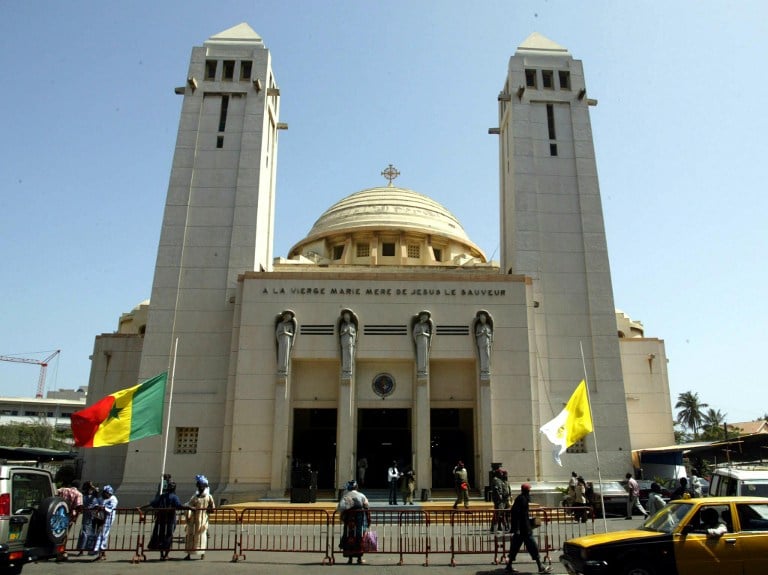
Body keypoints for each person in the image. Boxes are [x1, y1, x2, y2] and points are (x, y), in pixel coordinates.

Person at [505, 484, 551, 574]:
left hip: (522, 528)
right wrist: (517, 528)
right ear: (527, 491)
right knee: (533, 546)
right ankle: (540, 567)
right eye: (529, 490)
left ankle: (509, 565)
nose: (530, 492)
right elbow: (517, 514)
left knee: (515, 547)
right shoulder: (522, 499)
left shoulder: (521, 499)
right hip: (524, 530)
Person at [148, 480, 185, 560]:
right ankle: (166, 555)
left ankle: (161, 554)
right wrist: (189, 508)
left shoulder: (162, 496)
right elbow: (179, 506)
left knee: (161, 535)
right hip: (170, 520)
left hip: (161, 520)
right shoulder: (174, 497)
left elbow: (153, 503)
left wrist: (141, 507)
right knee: (169, 536)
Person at [337, 480, 371, 565]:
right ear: (356, 487)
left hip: (348, 522)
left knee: (349, 537)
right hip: (359, 522)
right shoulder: (361, 495)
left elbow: (340, 508)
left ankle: (350, 559)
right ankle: (359, 559)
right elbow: (367, 505)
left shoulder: (345, 496)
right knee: (359, 537)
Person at [184, 474, 215, 560]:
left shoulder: (209, 497)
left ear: (205, 486)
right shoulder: (194, 497)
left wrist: (208, 509)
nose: (200, 487)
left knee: (202, 536)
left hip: (203, 520)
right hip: (193, 520)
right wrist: (190, 510)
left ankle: (202, 553)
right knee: (191, 535)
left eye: (201, 486)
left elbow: (213, 508)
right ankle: (189, 553)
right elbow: (189, 505)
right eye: (199, 486)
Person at [92, 485, 118, 561]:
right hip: (100, 518)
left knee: (102, 535)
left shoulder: (113, 499)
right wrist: (97, 506)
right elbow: (96, 503)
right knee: (99, 534)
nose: (106, 495)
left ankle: (101, 553)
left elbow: (110, 508)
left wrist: (102, 507)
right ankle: (101, 553)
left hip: (108, 519)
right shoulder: (101, 498)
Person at [75, 481, 99, 556]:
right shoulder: (85, 496)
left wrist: (92, 487)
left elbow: (97, 492)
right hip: (88, 515)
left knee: (91, 532)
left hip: (93, 515)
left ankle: (89, 549)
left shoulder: (93, 495)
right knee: (85, 532)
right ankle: (82, 549)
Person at [275, 310, 296, 376]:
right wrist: (282, 334)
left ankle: (284, 368)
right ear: (284, 317)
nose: (288, 318)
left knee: (285, 353)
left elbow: (292, 333)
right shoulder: (280, 324)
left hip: (287, 340)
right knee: (281, 353)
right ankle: (280, 368)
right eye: (287, 316)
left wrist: (286, 333)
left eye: (289, 317)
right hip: (281, 340)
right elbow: (277, 333)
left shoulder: (290, 325)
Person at [412, 311, 433, 378]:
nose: (425, 319)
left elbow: (429, 334)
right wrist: (419, 334)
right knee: (420, 355)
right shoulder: (417, 325)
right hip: (419, 342)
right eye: (424, 317)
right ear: (421, 317)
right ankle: (420, 370)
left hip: (425, 341)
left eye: (426, 318)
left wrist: (424, 334)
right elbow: (414, 334)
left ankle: (424, 370)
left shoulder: (426, 325)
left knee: (424, 355)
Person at [474, 310, 493, 379]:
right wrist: (481, 333)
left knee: (487, 355)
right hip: (481, 343)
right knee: (482, 356)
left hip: (487, 343)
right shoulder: (478, 326)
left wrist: (486, 333)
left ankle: (487, 368)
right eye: (481, 319)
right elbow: (476, 334)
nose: (482, 320)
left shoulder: (488, 326)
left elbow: (490, 335)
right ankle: (483, 369)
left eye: (483, 319)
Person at [339, 309, 358, 379]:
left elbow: (354, 333)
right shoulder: (343, 325)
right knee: (344, 354)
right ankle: (345, 370)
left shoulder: (352, 324)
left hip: (350, 341)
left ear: (349, 317)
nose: (346, 318)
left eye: (347, 317)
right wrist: (344, 331)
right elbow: (340, 333)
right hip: (344, 341)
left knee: (349, 354)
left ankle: (349, 369)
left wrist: (350, 332)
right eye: (345, 317)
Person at [490, 467, 510, 532]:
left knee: (502, 513)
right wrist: (499, 496)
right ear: (498, 473)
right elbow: (496, 489)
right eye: (501, 473)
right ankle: (493, 528)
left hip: (503, 499)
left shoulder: (500, 480)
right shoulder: (496, 479)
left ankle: (502, 527)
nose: (502, 474)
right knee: (498, 513)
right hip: (499, 500)